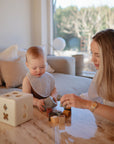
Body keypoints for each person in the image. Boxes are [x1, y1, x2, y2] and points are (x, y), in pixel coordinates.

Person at [60, 29, 114, 122]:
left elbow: (90, 103)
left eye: (97, 55)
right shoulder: (102, 72)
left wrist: (87, 104)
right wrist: (76, 99)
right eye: (92, 53)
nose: (92, 60)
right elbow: (93, 96)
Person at [22, 46, 57, 111]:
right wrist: (37, 102)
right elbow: (26, 97)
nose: (38, 70)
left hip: (48, 107)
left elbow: (54, 89)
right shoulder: (27, 80)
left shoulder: (48, 77)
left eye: (42, 67)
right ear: (27, 65)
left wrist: (53, 96)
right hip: (34, 108)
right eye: (34, 68)